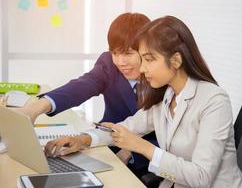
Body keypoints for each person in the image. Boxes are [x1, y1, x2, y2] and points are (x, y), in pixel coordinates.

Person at [45, 16, 242, 188]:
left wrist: (142, 147)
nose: (142, 69)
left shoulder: (214, 101)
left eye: (149, 60)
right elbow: (127, 128)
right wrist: (82, 139)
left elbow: (201, 177)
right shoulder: (166, 96)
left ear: (175, 60)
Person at [18, 12, 157, 178]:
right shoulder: (108, 63)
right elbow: (83, 85)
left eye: (128, 53)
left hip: (148, 160)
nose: (120, 62)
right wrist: (35, 109)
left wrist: (130, 152)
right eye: (114, 53)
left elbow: (169, 137)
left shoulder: (161, 76)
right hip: (106, 144)